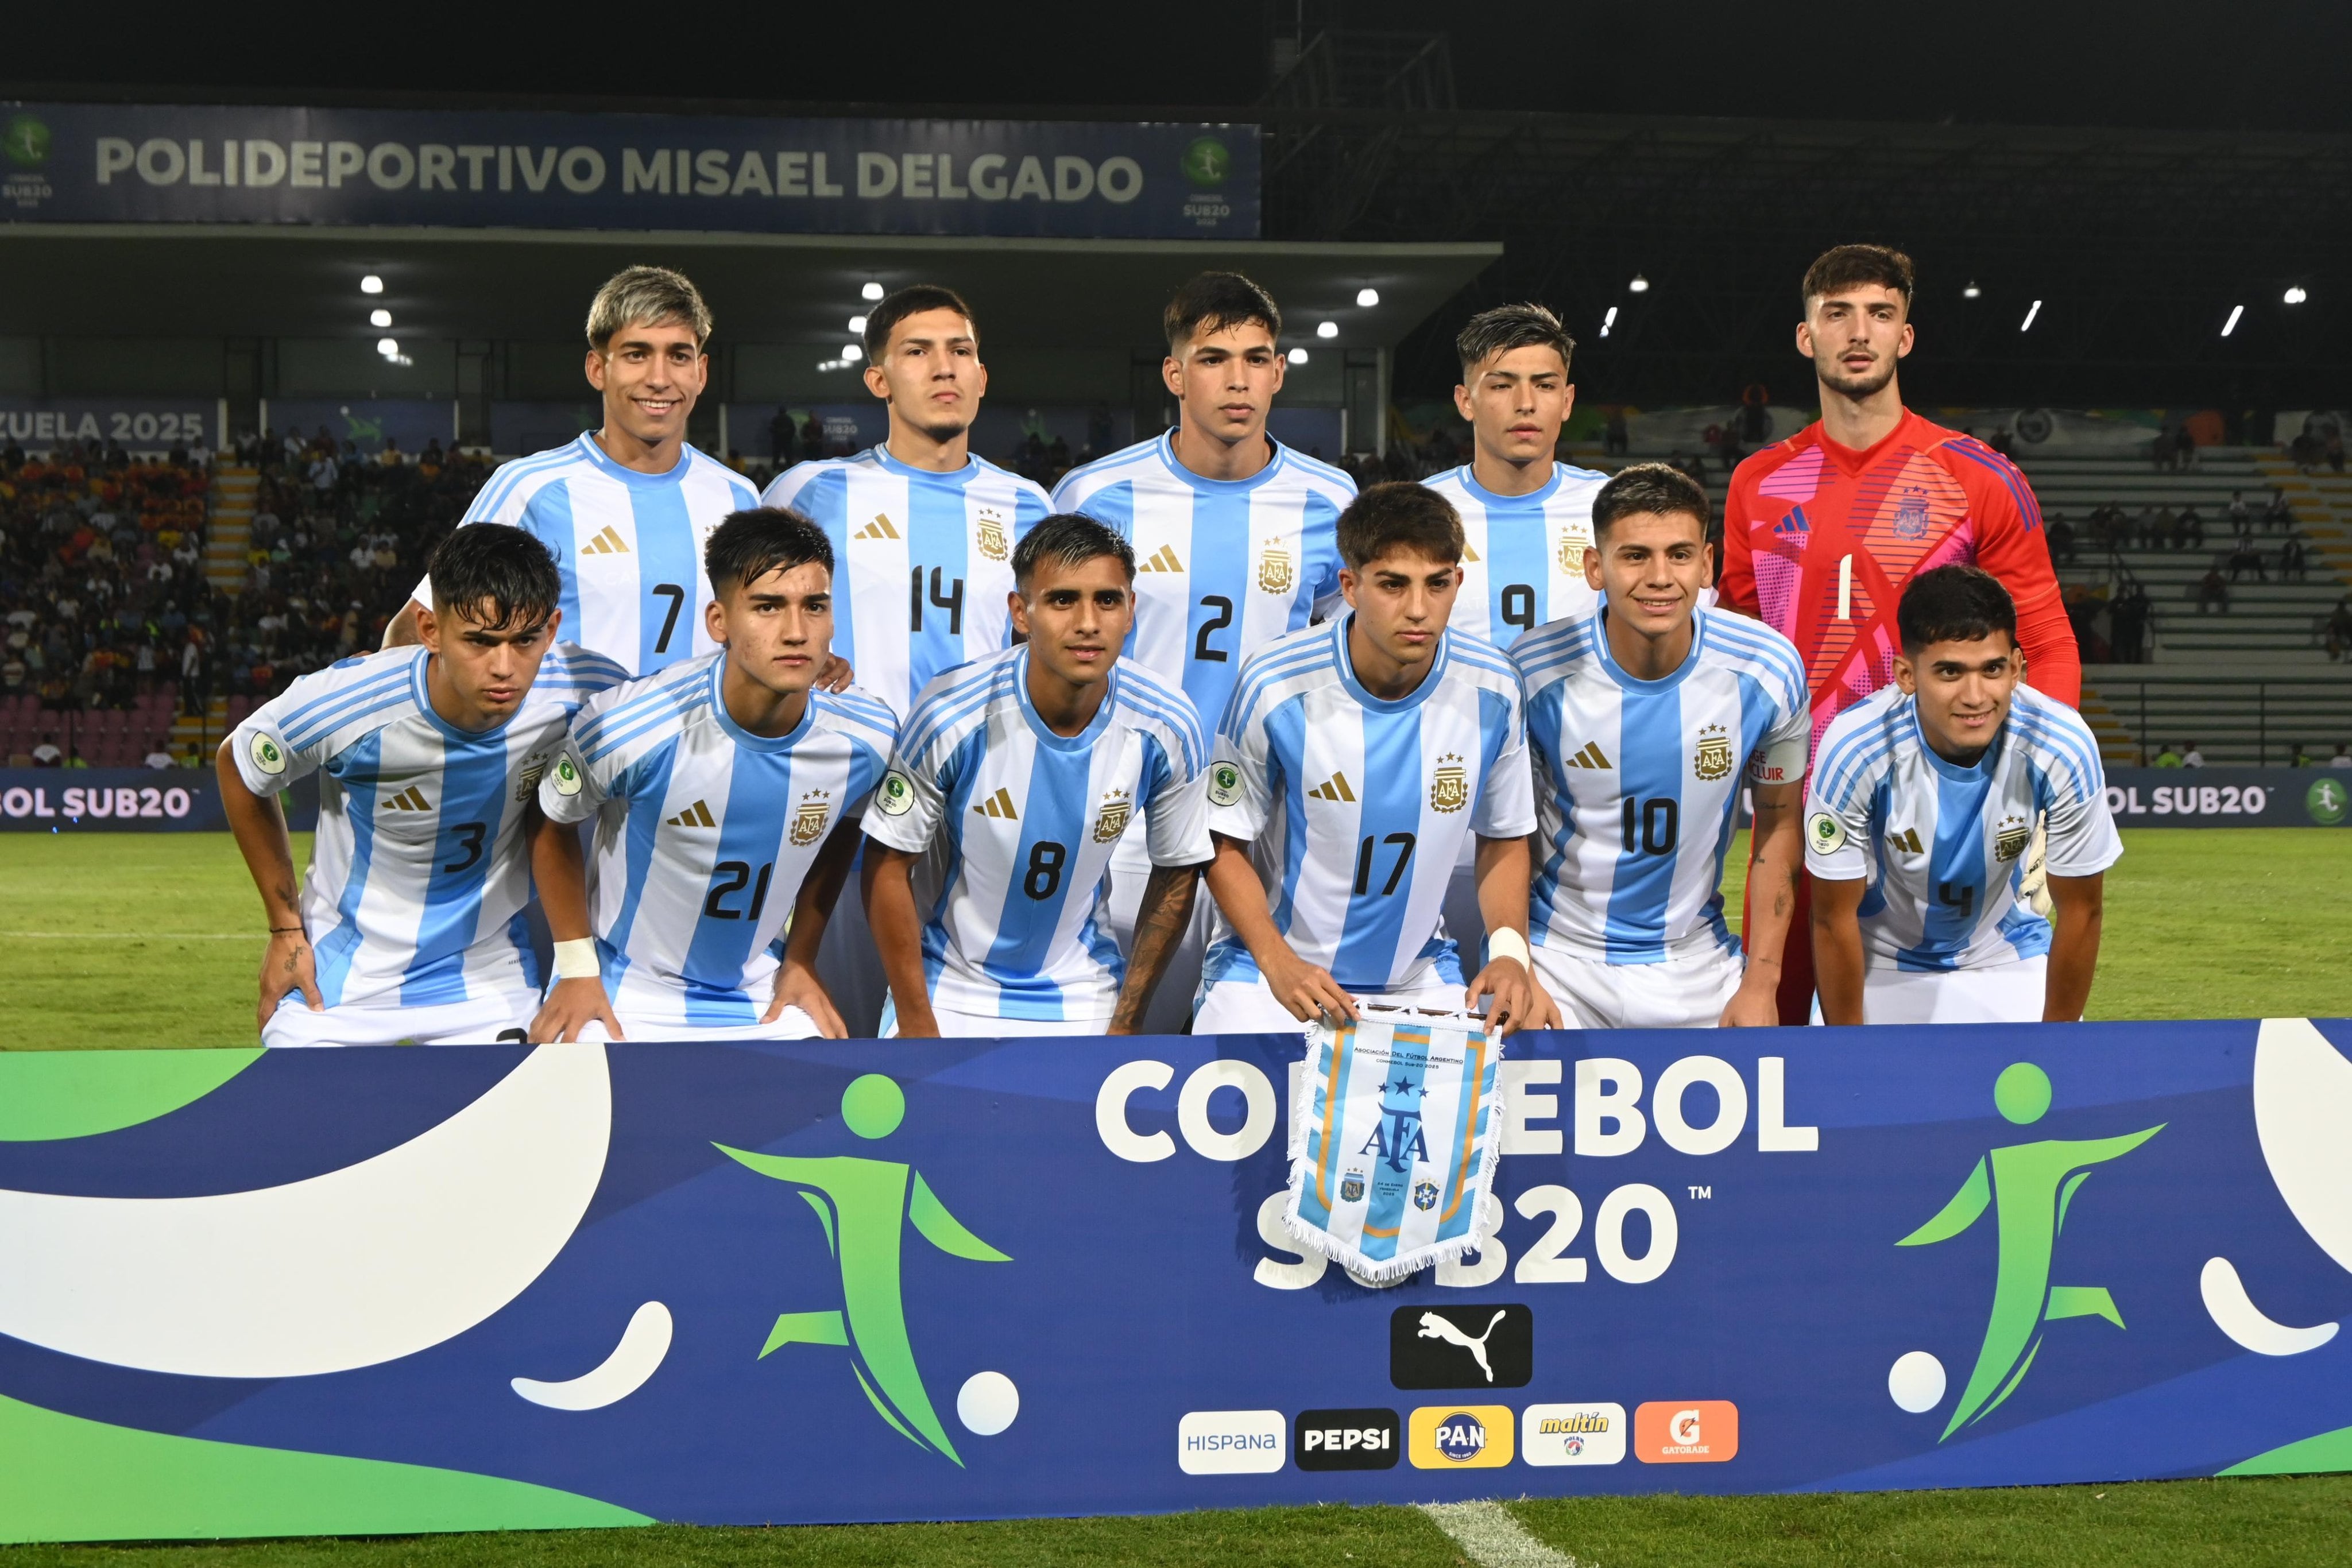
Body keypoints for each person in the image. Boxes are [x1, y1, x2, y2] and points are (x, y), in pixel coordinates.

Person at [1717, 245, 2079, 1024]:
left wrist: (2039, 777)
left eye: (1880, 314)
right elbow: (1739, 649)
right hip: (1800, 809)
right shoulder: (1757, 483)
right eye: (1836, 314)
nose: (1859, 332)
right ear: (1805, 337)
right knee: (1775, 1041)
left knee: (1942, 1031)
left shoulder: (1978, 476)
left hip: (1942, 813)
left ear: (1905, 337)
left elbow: (2045, 638)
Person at [1051, 272, 1356, 1029]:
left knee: (1252, 1054)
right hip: (1128, 820)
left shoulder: (1333, 502)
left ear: (1280, 372)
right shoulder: (1097, 495)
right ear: (1176, 373)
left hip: (1266, 834)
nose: (1238, 380)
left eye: (1257, 359)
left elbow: (1343, 673)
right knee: (1119, 1052)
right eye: (1214, 358)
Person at [218, 525, 625, 1048]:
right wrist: (284, 930)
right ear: (430, 629)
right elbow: (238, 761)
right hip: (344, 977)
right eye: (479, 641)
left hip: (487, 979)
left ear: (551, 630)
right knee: (307, 1120)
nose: (505, 668)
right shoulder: (353, 701)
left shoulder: (584, 689)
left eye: (525, 640)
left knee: (538, 1109)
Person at [1194, 482, 1554, 1036]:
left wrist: (1510, 951)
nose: (1418, 609)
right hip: (1269, 973)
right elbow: (1221, 840)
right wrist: (1276, 960)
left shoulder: (1496, 687)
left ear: (1458, 582)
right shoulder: (1275, 682)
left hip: (1418, 975)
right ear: (1350, 586)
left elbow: (1504, 835)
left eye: (1437, 585)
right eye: (1393, 584)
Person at [528, 509, 898, 1043]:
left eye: (813, 606)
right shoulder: (629, 726)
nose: (796, 632)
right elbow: (551, 824)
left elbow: (846, 824)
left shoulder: (868, 734)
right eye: (767, 607)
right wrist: (577, 967)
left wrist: (801, 957)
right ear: (718, 621)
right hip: (627, 989)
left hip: (759, 992)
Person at [860, 514, 1212, 1038]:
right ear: (1021, 612)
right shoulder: (950, 713)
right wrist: (915, 1018)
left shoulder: (1167, 722)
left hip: (1084, 989)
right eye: (1063, 600)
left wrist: (1127, 1019)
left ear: (1132, 610)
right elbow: (886, 865)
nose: (1088, 622)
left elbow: (1178, 870)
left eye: (1108, 600)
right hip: (949, 986)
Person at [1512, 463, 1810, 1029]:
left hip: (1697, 966)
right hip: (1559, 963)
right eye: (1634, 556)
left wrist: (1761, 982)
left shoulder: (1766, 668)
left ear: (1707, 564)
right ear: (1594, 567)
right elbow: (1506, 835)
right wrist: (1519, 963)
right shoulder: (1534, 672)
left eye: (1678, 554)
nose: (1658, 577)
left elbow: (1778, 822)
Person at [385, 266, 763, 677]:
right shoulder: (530, 488)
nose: (659, 379)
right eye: (637, 354)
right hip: (569, 743)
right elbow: (416, 628)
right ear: (598, 369)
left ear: (701, 373)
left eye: (678, 356)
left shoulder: (739, 498)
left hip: (703, 741)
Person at [1808, 566, 2119, 1025]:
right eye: (1950, 671)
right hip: (1882, 962)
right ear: (1907, 675)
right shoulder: (1855, 748)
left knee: (2048, 1094)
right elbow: (1833, 918)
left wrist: (2057, 1046)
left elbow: (2083, 910)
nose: (1975, 696)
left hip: (2006, 952)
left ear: (2016, 668)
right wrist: (1850, 1050)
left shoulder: (2062, 744)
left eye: (1992, 669)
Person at [760, 286, 1052, 722]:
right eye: (918, 352)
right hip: (842, 768)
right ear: (879, 381)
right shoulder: (808, 491)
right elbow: (749, 621)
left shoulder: (1029, 505)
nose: (944, 369)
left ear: (982, 378)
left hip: (978, 769)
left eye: (960, 351)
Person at [1421, 303, 1608, 650]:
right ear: (1466, 402)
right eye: (1502, 386)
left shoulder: (1609, 506)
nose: (1526, 403)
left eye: (1545, 386)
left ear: (1567, 402)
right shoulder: (1416, 512)